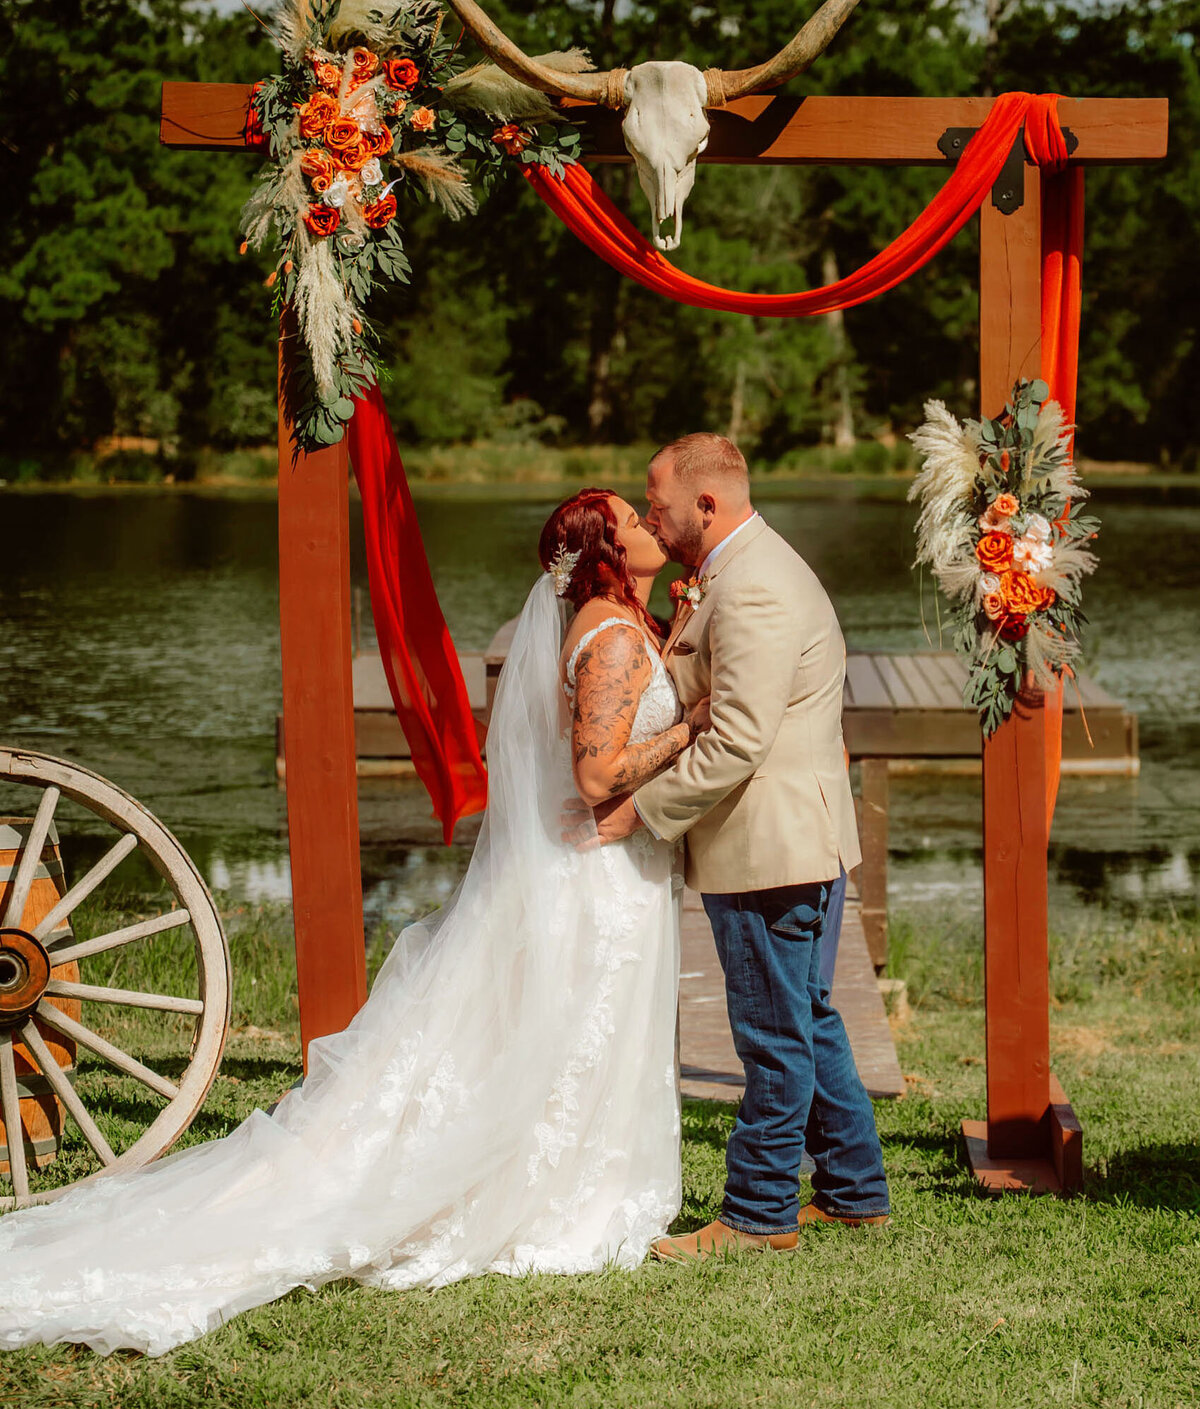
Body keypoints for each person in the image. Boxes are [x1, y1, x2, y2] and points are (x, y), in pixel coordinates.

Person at [0, 489, 705, 1357]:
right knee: (575, 1031)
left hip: (600, 869)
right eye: (633, 521)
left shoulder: (613, 624)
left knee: (572, 1034)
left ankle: (573, 1179)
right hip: (596, 871)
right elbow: (598, 777)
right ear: (605, 550)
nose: (648, 526)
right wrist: (693, 730)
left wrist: (674, 638)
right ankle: (558, 1195)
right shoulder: (611, 635)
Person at [572, 433, 890, 1257]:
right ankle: (856, 1190)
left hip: (769, 842)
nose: (649, 515)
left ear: (705, 505)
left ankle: (756, 1214)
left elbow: (739, 738)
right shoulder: (738, 573)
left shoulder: (753, 587)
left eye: (659, 503)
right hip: (788, 835)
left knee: (771, 1032)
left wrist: (640, 812)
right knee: (807, 1017)